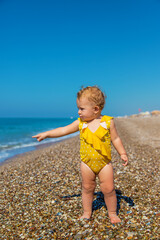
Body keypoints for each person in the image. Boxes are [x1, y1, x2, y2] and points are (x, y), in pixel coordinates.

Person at [32, 86, 128, 224]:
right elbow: (63, 130)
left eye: (82, 109)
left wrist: (122, 153)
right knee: (87, 188)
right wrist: (47, 134)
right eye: (78, 108)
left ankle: (112, 213)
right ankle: (87, 212)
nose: (78, 112)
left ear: (95, 109)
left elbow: (116, 139)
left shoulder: (108, 122)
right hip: (86, 163)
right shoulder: (80, 123)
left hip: (104, 163)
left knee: (109, 189)